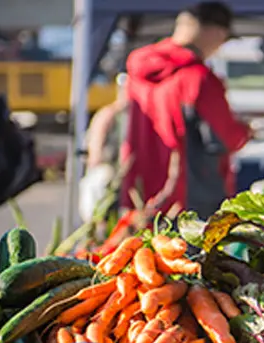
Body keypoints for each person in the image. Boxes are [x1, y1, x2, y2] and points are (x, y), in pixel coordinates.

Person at [121, 1, 251, 216]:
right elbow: (224, 137)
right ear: (217, 32)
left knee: (141, 249)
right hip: (188, 200)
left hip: (139, 193)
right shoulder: (199, 78)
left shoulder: (138, 70)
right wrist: (246, 131)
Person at [79, 73, 129, 222]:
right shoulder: (109, 114)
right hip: (108, 176)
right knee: (100, 217)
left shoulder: (133, 116)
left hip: (123, 178)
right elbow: (96, 148)